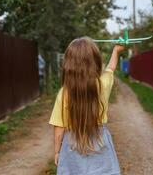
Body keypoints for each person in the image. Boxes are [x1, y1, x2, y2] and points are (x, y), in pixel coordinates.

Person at [49, 37, 125, 175]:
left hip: (72, 143)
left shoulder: (64, 93)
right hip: (100, 140)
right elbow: (111, 68)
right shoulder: (102, 84)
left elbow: (59, 130)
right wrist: (116, 50)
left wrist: (57, 152)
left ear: (68, 64)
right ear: (95, 61)